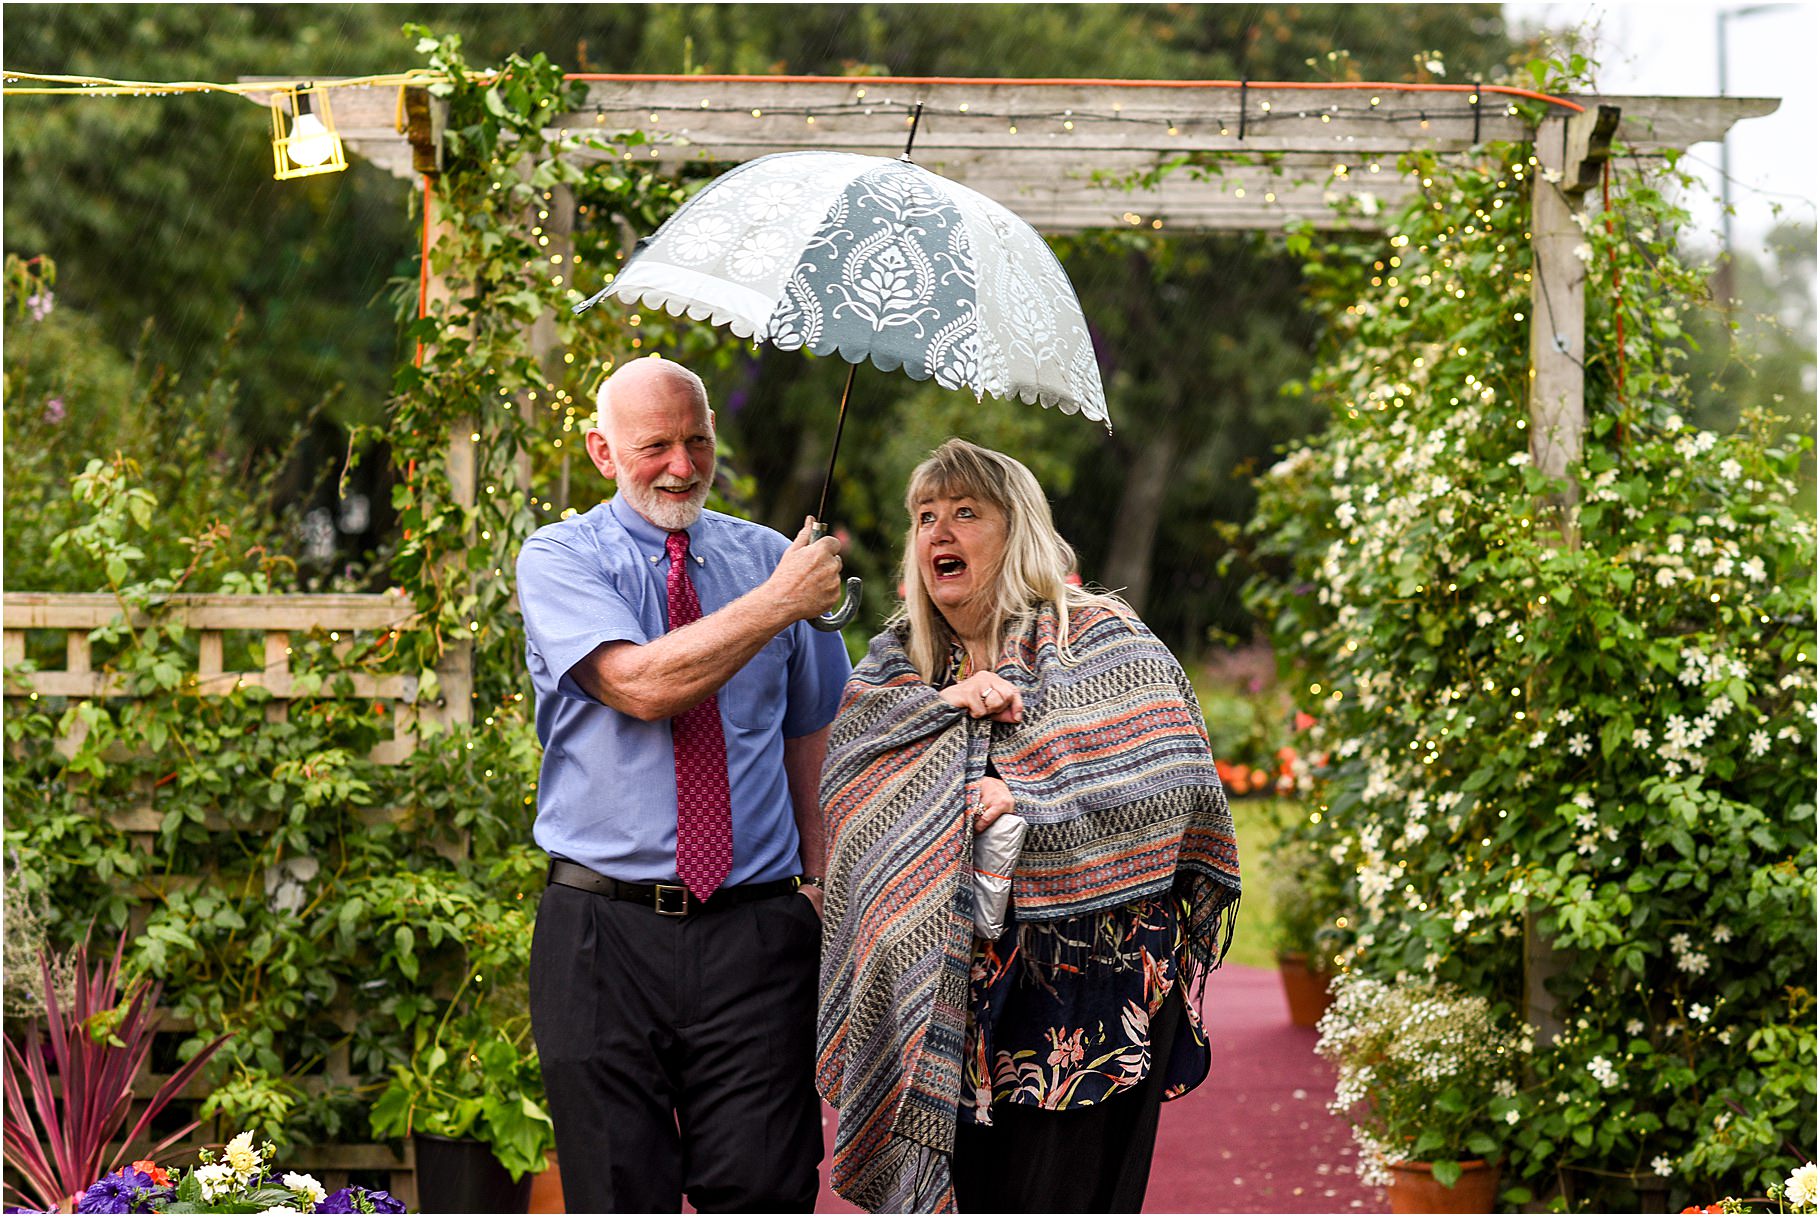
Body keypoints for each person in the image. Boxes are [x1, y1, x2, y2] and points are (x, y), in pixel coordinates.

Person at [815, 438, 1241, 1213]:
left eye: (966, 512)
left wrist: (1024, 803)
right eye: (925, 516)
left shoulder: (1100, 638)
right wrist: (945, 723)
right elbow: (853, 793)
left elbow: (1171, 787)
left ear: (1019, 531)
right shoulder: (895, 668)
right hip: (938, 1008)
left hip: (1085, 1010)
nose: (938, 531)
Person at [516, 357, 852, 1213]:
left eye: (696, 439)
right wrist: (775, 604)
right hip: (601, 933)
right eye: (654, 444)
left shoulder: (773, 558)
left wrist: (822, 885)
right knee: (618, 1192)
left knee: (767, 1187)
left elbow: (811, 732)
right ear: (602, 450)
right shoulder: (560, 558)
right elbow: (639, 684)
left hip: (754, 932)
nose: (681, 464)